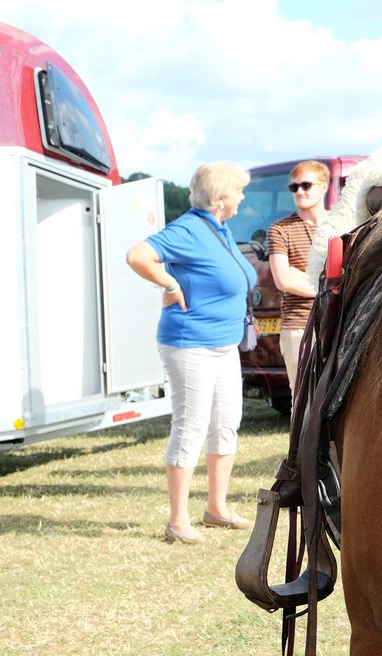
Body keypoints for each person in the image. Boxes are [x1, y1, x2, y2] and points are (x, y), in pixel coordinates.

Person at [126, 161, 257, 544]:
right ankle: (177, 521)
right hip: (190, 344)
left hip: (223, 344)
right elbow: (138, 255)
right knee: (192, 426)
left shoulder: (220, 228)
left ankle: (216, 508)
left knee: (226, 422)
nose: (243, 196)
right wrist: (168, 282)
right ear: (221, 198)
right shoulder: (187, 229)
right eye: (239, 190)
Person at [267, 160, 328, 388]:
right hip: (299, 325)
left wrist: (304, 278)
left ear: (324, 186)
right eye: (294, 187)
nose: (299, 191)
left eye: (306, 185)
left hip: (340, 321)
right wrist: (332, 287)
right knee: (303, 399)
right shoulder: (280, 229)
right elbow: (284, 280)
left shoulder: (342, 225)